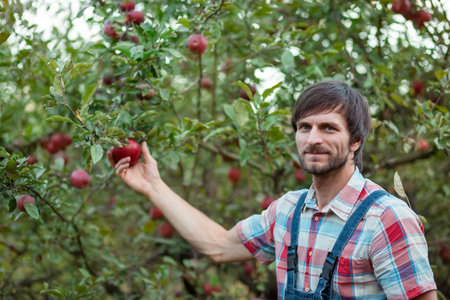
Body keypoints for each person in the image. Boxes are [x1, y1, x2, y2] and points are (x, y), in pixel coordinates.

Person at [108, 81, 437, 299]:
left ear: (355, 141)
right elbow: (219, 245)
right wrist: (154, 185)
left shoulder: (387, 220)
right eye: (304, 127)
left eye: (328, 128)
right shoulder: (288, 211)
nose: (313, 139)